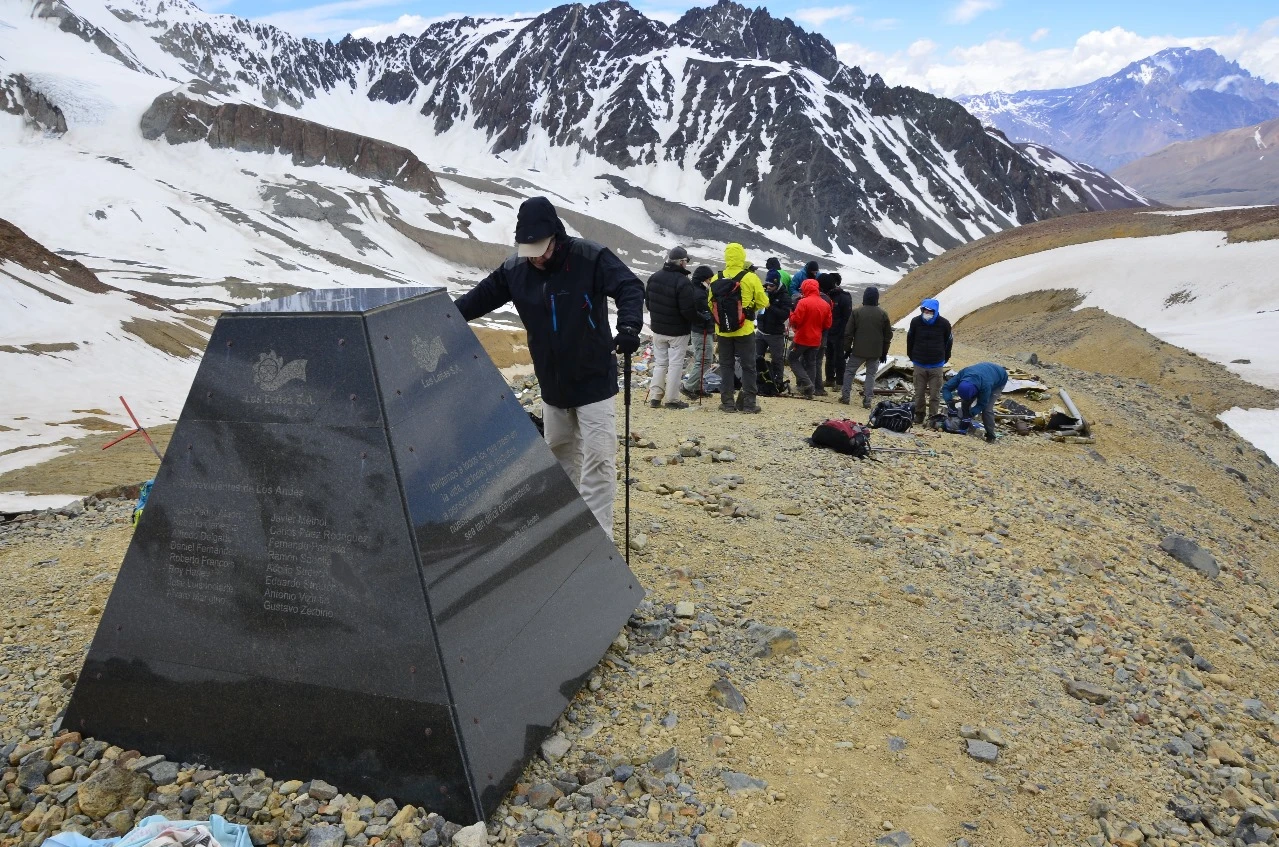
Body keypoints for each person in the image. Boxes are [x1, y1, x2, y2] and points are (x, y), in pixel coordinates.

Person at [455, 196, 643, 539]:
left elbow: (630, 286)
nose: (537, 257)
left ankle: (598, 537)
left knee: (599, 460)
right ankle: (567, 527)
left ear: (556, 236)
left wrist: (629, 327)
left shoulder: (589, 257)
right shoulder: (515, 270)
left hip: (594, 380)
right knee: (559, 455)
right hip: (553, 385)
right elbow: (476, 300)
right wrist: (442, 316)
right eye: (530, 250)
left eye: (541, 248)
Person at [708, 243, 769, 413]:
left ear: (726, 257)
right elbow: (764, 302)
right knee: (748, 366)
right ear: (742, 256)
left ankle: (727, 403)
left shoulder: (716, 278)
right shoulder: (749, 277)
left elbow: (709, 303)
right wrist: (748, 309)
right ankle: (749, 404)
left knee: (725, 365)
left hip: (723, 331)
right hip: (745, 329)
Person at [644, 246, 701, 409]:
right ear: (682, 262)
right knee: (675, 364)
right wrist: (699, 319)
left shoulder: (654, 277)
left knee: (661, 363)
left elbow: (648, 303)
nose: (687, 263)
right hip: (677, 331)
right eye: (686, 261)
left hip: (658, 330)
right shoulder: (683, 282)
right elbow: (688, 310)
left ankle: (655, 397)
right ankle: (672, 399)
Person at [840, 285, 891, 408]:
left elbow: (848, 333)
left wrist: (847, 349)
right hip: (875, 352)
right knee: (871, 375)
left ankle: (845, 397)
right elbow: (887, 336)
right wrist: (884, 352)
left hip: (858, 350)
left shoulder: (856, 312)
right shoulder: (883, 314)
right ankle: (867, 401)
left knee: (849, 372)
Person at [906, 298, 953, 425]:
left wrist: (945, 358)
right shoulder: (915, 322)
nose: (927, 312)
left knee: (934, 394)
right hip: (919, 363)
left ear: (935, 311)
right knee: (919, 393)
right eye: (925, 310)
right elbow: (910, 339)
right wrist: (911, 356)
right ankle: (919, 415)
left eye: (930, 311)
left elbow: (948, 342)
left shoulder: (944, 324)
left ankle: (933, 417)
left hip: (936, 365)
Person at [787, 278, 831, 399]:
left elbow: (796, 320)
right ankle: (809, 392)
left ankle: (807, 384)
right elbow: (827, 325)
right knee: (811, 363)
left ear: (806, 288)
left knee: (791, 358)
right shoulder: (825, 304)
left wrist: (791, 313)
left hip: (802, 338)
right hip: (816, 339)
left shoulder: (803, 302)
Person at [943, 363, 1009, 443]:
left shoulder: (986, 386)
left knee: (987, 409)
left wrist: (970, 414)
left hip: (999, 378)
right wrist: (950, 403)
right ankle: (966, 425)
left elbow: (982, 403)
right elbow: (946, 388)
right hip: (983, 373)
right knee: (965, 403)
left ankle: (991, 435)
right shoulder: (962, 375)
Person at [681, 265, 716, 398]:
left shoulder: (696, 290)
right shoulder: (699, 293)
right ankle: (688, 386)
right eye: (708, 279)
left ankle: (697, 387)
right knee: (705, 360)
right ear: (703, 279)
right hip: (702, 331)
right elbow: (702, 312)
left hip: (700, 330)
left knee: (702, 359)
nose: (710, 282)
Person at [755, 269, 792, 390]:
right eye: (767, 284)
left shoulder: (784, 296)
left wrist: (770, 306)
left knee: (777, 359)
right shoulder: (765, 290)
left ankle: (777, 382)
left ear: (777, 284)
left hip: (775, 334)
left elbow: (784, 315)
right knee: (756, 356)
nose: (769, 287)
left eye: (771, 285)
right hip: (761, 331)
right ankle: (757, 379)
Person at [821, 273, 852, 389]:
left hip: (839, 332)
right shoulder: (827, 296)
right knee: (829, 356)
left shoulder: (844, 297)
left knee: (839, 357)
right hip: (828, 331)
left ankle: (840, 382)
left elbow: (846, 317)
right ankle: (829, 379)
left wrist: (842, 333)